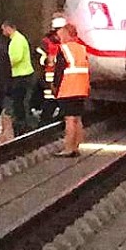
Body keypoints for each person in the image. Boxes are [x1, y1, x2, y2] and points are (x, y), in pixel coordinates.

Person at [52, 17, 89, 157]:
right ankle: (77, 146)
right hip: (81, 87)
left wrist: (55, 86)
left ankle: (68, 148)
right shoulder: (82, 49)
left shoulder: (64, 49)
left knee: (69, 119)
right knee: (78, 118)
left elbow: (59, 71)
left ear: (67, 34)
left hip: (68, 88)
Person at [1, 20, 35, 135]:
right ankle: (22, 122)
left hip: (21, 75)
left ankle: (22, 124)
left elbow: (16, 58)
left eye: (3, 29)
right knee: (19, 101)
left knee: (19, 101)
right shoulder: (18, 39)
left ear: (8, 28)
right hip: (22, 74)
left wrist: (5, 66)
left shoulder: (17, 40)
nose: (3, 32)